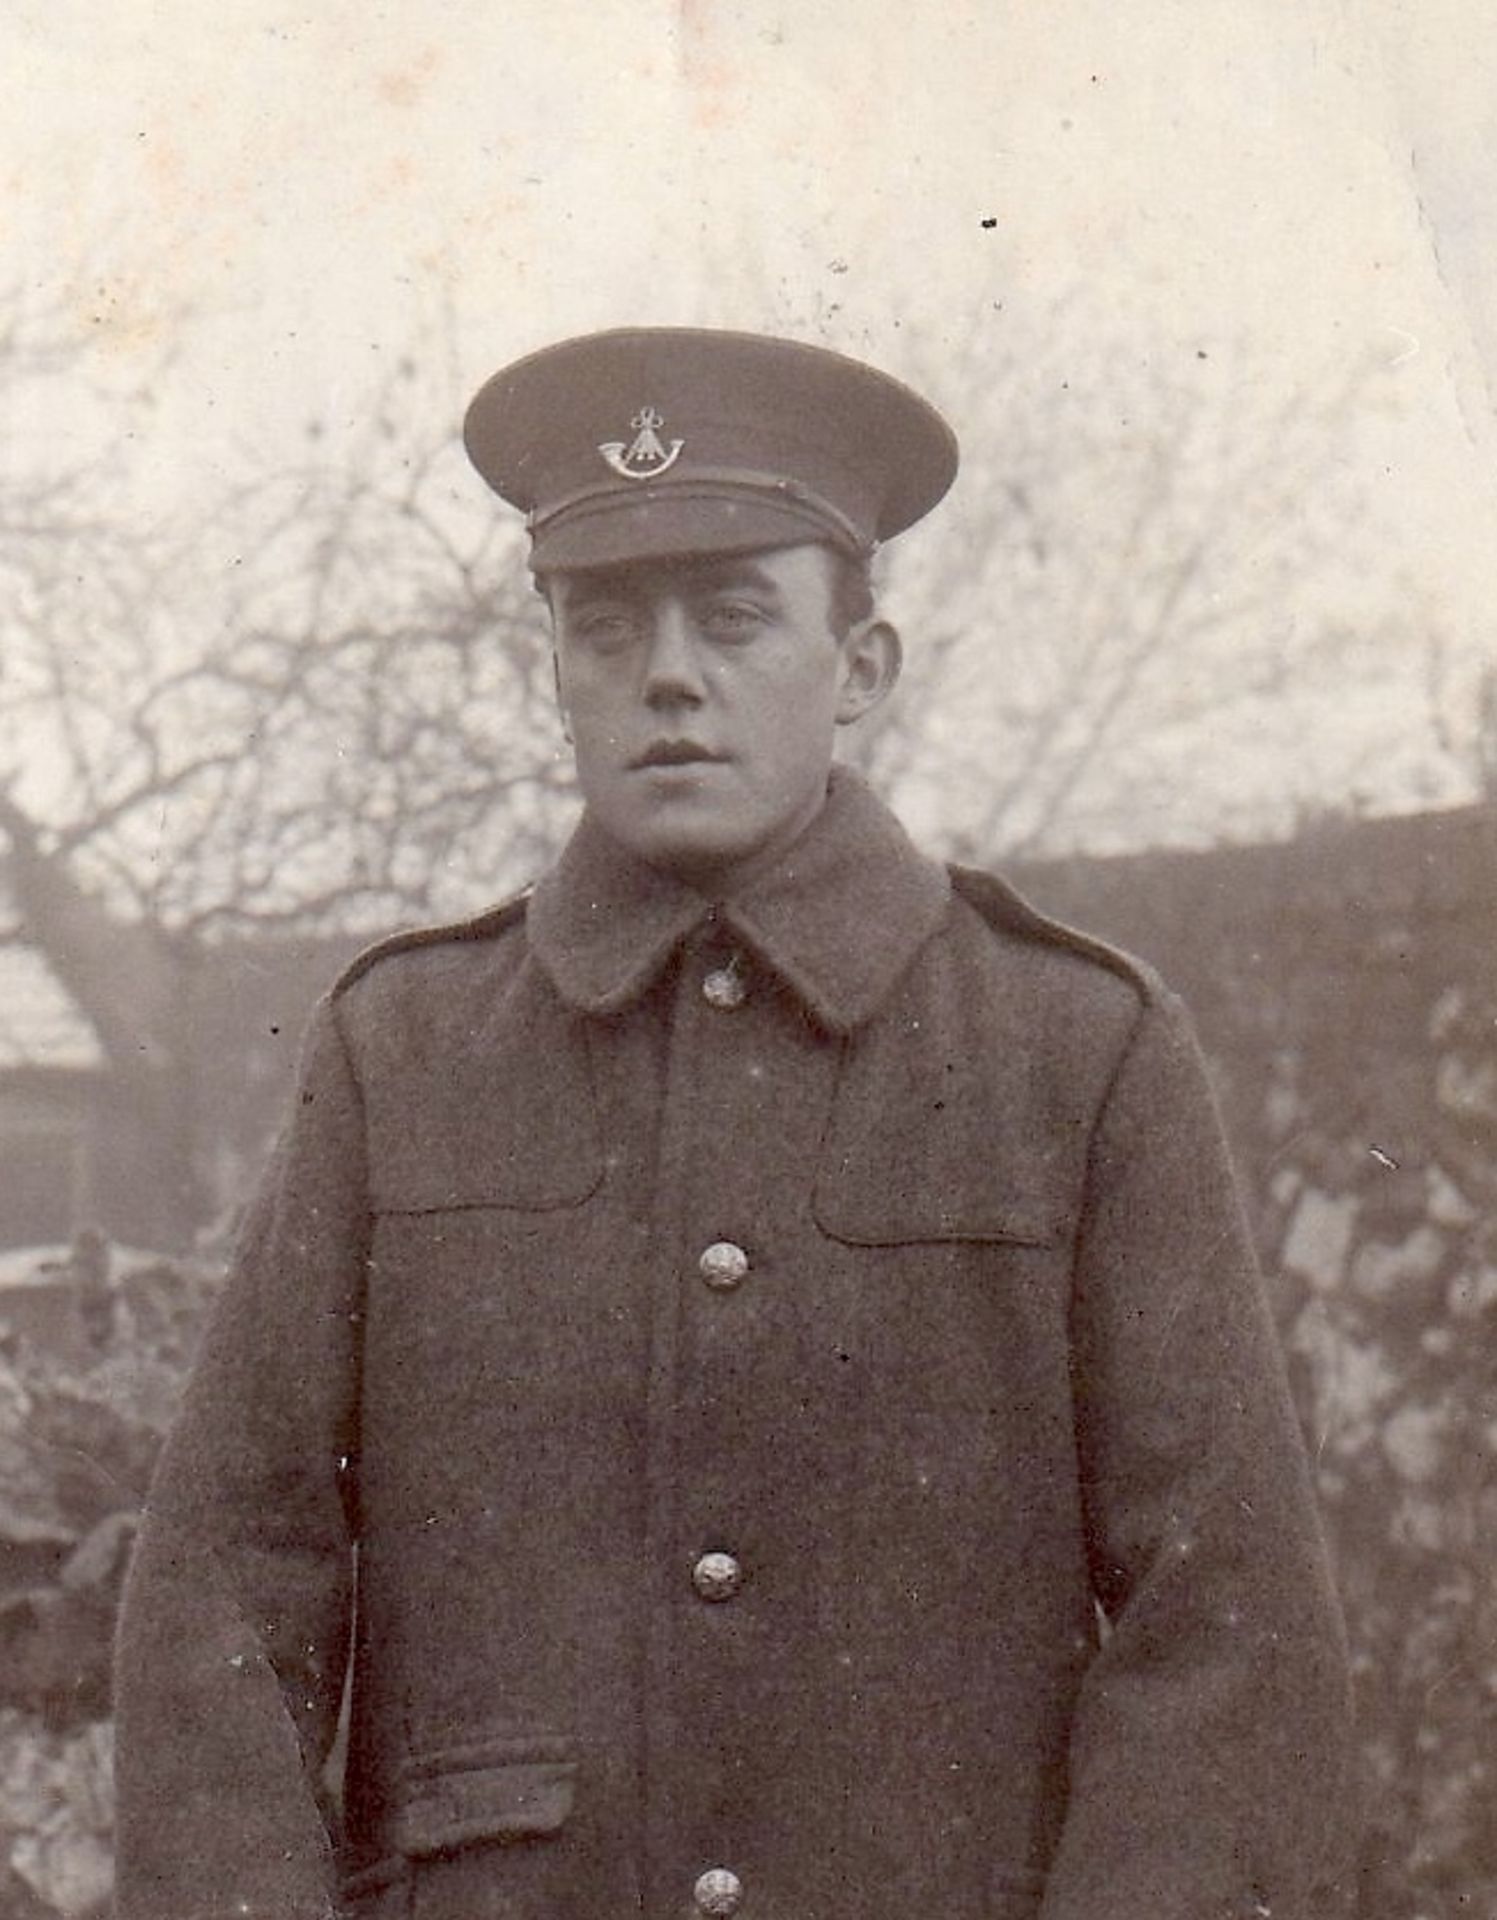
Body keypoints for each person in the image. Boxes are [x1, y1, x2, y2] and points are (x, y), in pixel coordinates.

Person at [114, 328, 1353, 1920]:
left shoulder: (1072, 1049)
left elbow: (1223, 1622)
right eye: (606, 626)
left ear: (861, 669)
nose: (669, 674)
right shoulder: (401, 1051)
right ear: (549, 665)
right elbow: (232, 1571)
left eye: (737, 614)